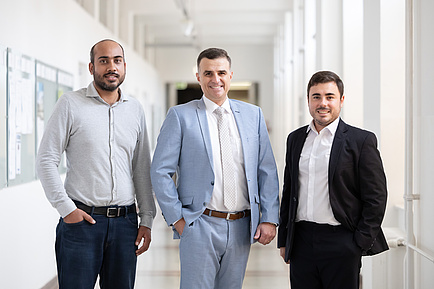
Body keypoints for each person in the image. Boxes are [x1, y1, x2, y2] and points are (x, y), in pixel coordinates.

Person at [150, 47, 280, 289]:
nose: (215, 79)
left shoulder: (253, 116)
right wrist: (178, 219)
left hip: (242, 226)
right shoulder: (180, 116)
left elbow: (267, 170)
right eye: (208, 73)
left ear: (231, 75)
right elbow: (160, 171)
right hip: (199, 223)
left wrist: (270, 218)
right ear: (198, 77)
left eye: (221, 72)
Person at [36, 39, 156, 289]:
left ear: (124, 66)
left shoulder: (135, 109)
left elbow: (141, 168)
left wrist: (146, 218)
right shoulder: (70, 104)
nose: (111, 67)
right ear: (91, 68)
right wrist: (66, 209)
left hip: (125, 225)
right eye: (103, 61)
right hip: (82, 223)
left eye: (117, 60)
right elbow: (46, 159)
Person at [278, 70, 389, 289]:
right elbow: (289, 190)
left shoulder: (361, 140)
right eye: (316, 96)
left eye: (330, 97)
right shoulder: (295, 138)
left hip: (342, 241)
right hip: (302, 241)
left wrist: (359, 243)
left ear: (341, 100)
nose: (323, 103)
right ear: (308, 100)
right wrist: (285, 239)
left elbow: (376, 197)